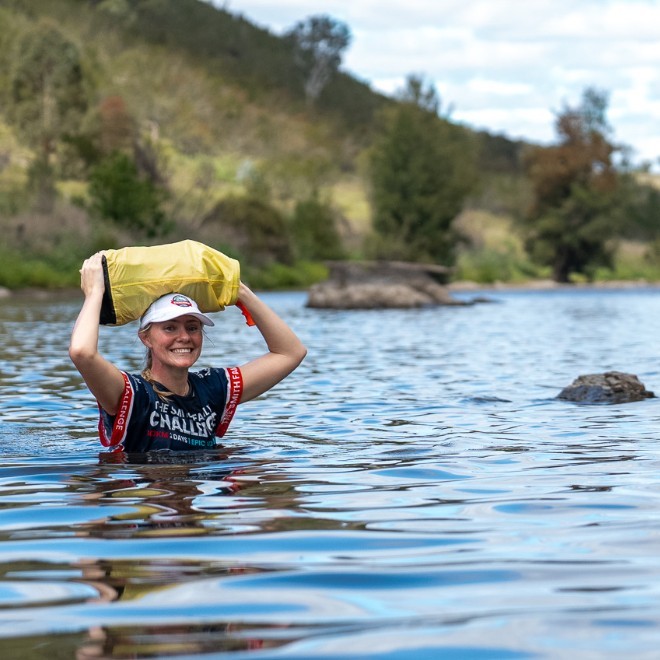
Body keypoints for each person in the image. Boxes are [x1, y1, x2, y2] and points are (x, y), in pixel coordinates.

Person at [69, 251, 307, 452]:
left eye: (192, 327)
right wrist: (95, 293)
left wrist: (240, 291)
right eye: (170, 328)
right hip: (144, 486)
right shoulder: (133, 393)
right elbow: (81, 352)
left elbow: (291, 352)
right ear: (146, 338)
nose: (184, 337)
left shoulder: (212, 389)